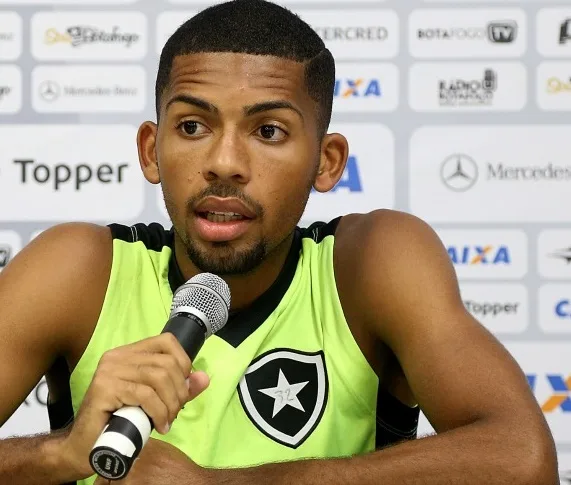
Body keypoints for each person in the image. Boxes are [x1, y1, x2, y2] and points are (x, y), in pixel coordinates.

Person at [0, 1, 559, 484]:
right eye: (193, 126)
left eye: (268, 131)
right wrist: (60, 453)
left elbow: (522, 458)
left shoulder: (371, 264)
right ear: (151, 150)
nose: (224, 164)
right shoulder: (78, 271)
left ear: (326, 160)